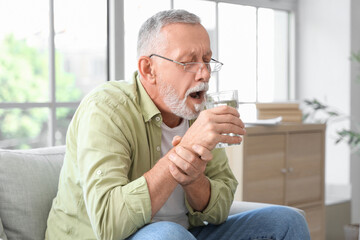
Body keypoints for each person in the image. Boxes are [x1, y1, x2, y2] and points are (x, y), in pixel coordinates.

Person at [45, 9, 310, 240]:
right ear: (149, 69)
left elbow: (219, 211)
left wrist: (195, 181)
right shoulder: (107, 109)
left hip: (185, 234)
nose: (204, 73)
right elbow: (108, 225)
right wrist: (183, 153)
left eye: (207, 60)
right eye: (189, 62)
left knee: (287, 222)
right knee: (169, 235)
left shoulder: (199, 113)